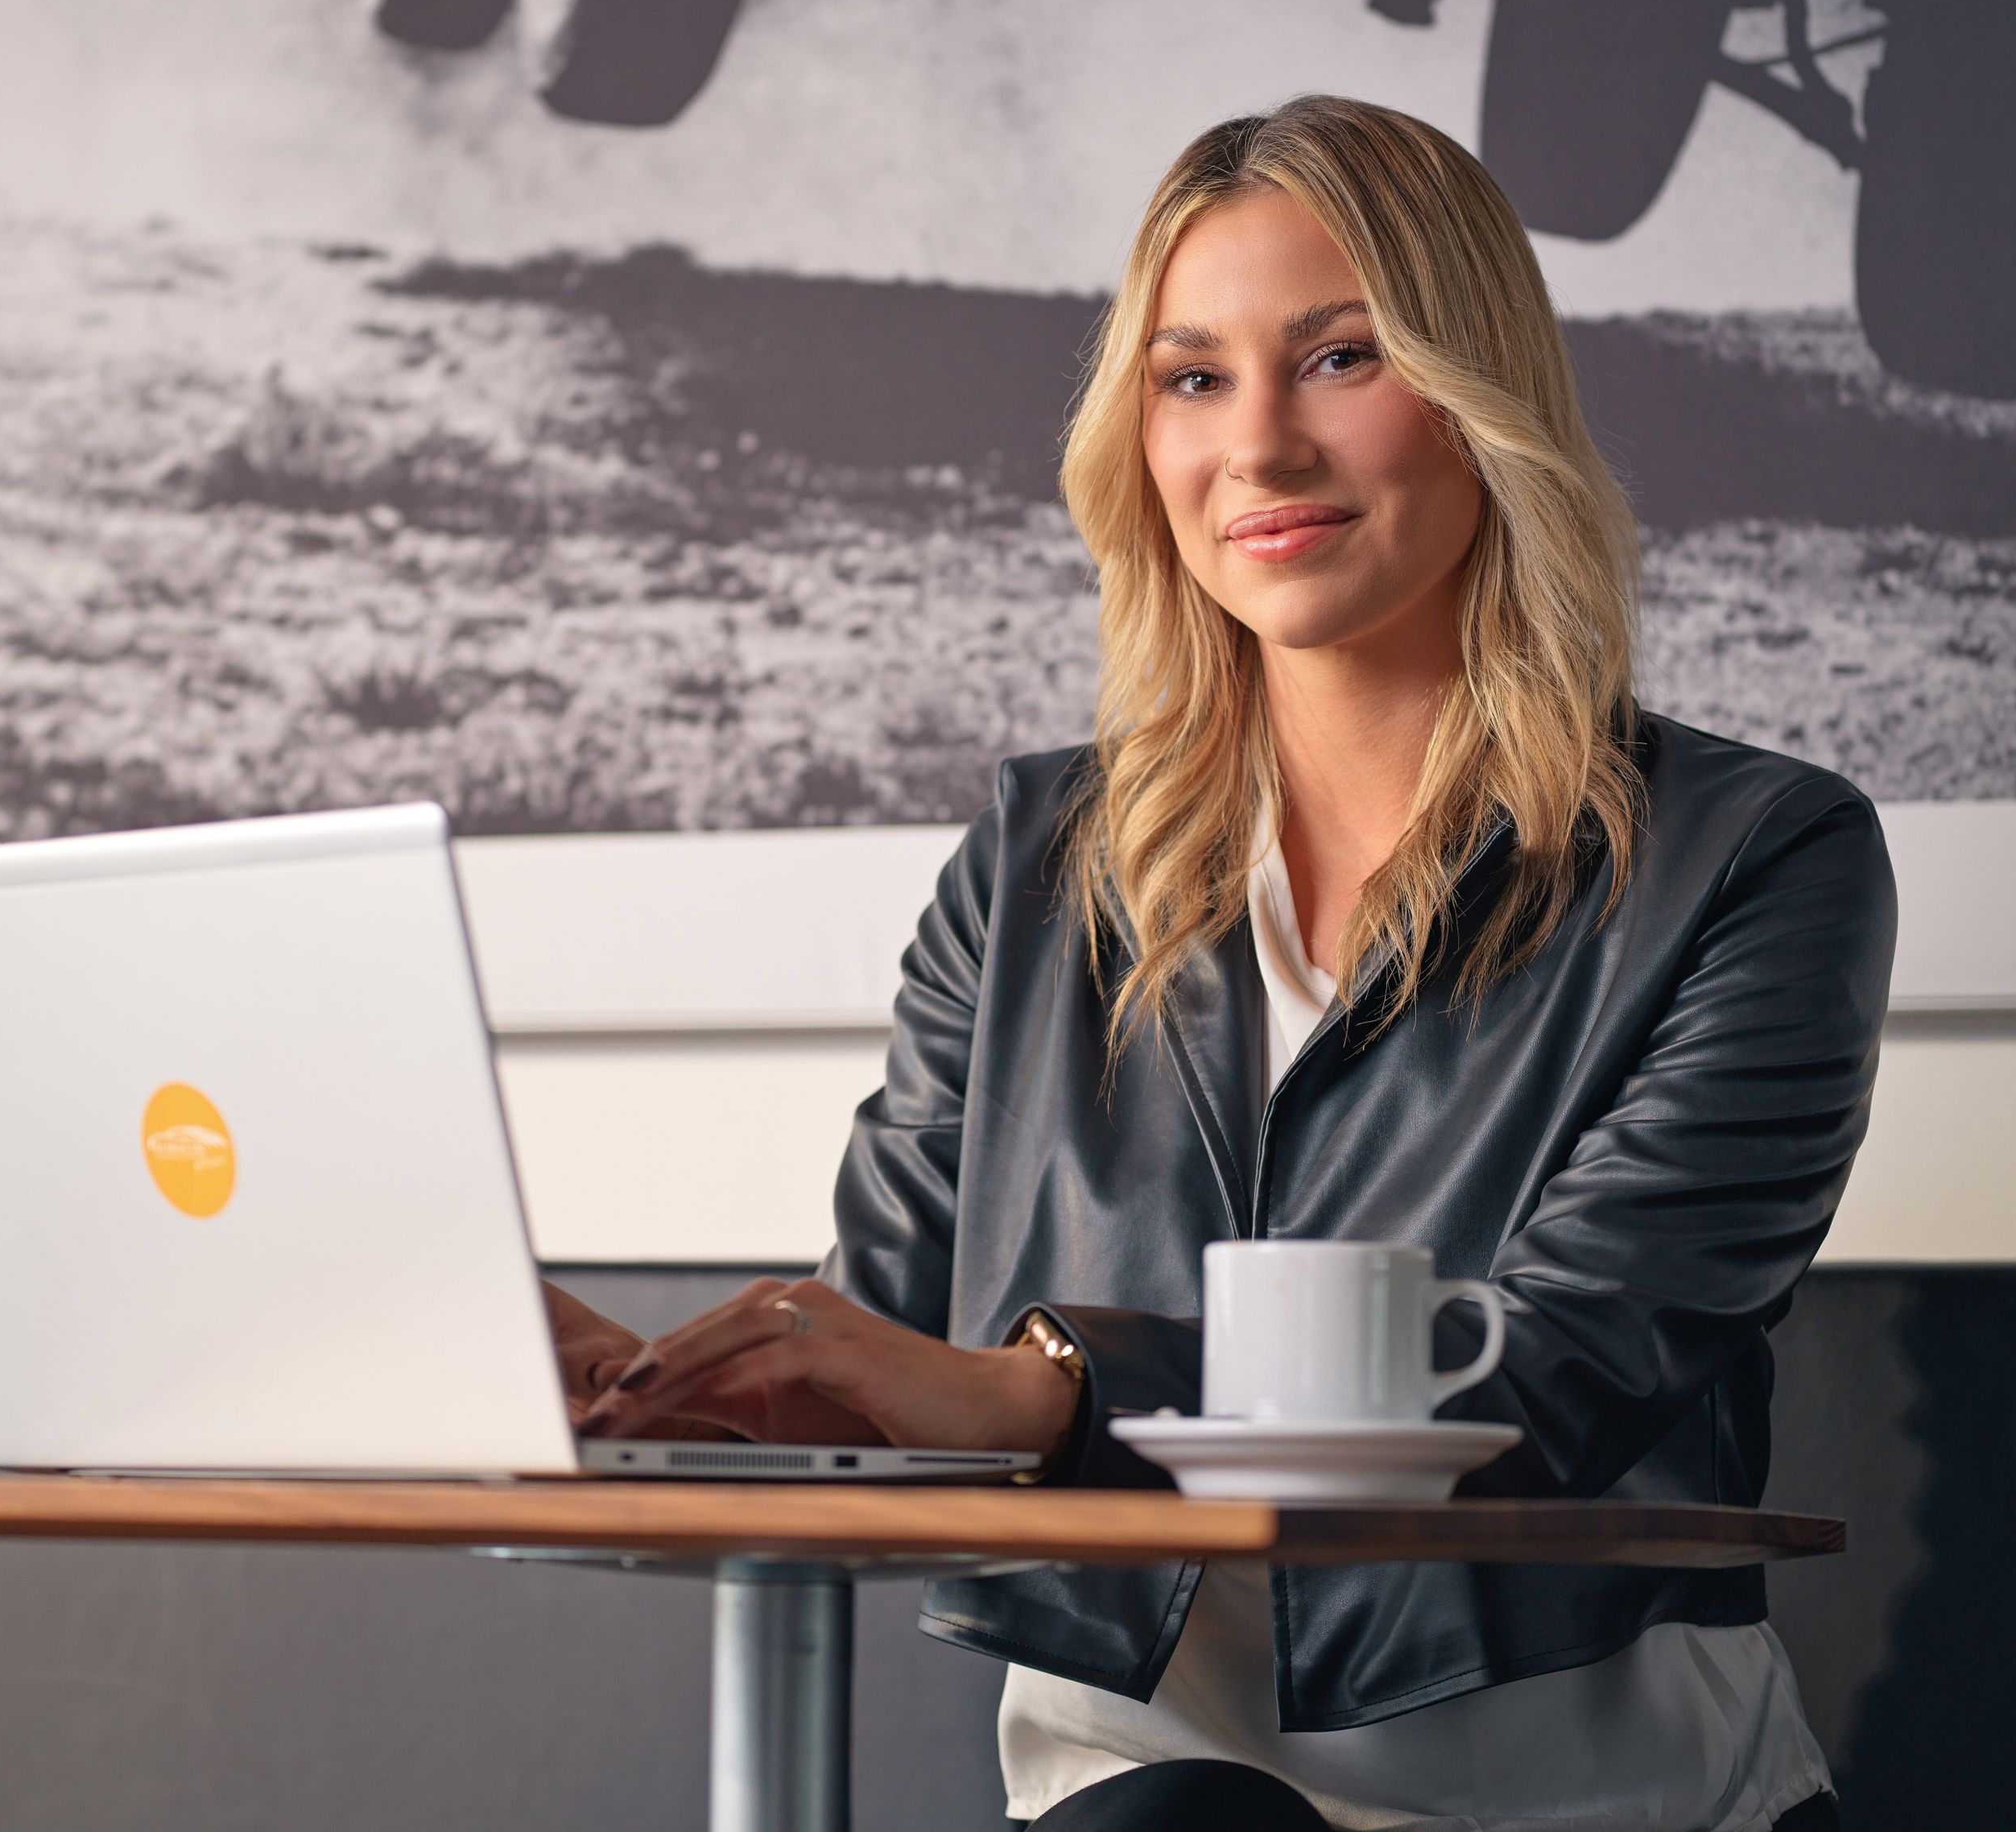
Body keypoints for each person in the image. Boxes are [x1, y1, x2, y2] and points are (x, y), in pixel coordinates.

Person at [550, 96, 1894, 1832]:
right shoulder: (1034, 868)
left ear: (1481, 403)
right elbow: (883, 1357)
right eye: (1192, 379)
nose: (1257, 446)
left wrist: (1046, 1392)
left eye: (1339, 359)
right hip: (1128, 1800)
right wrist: (635, 1402)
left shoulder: (1753, 858)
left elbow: (1564, 1366)